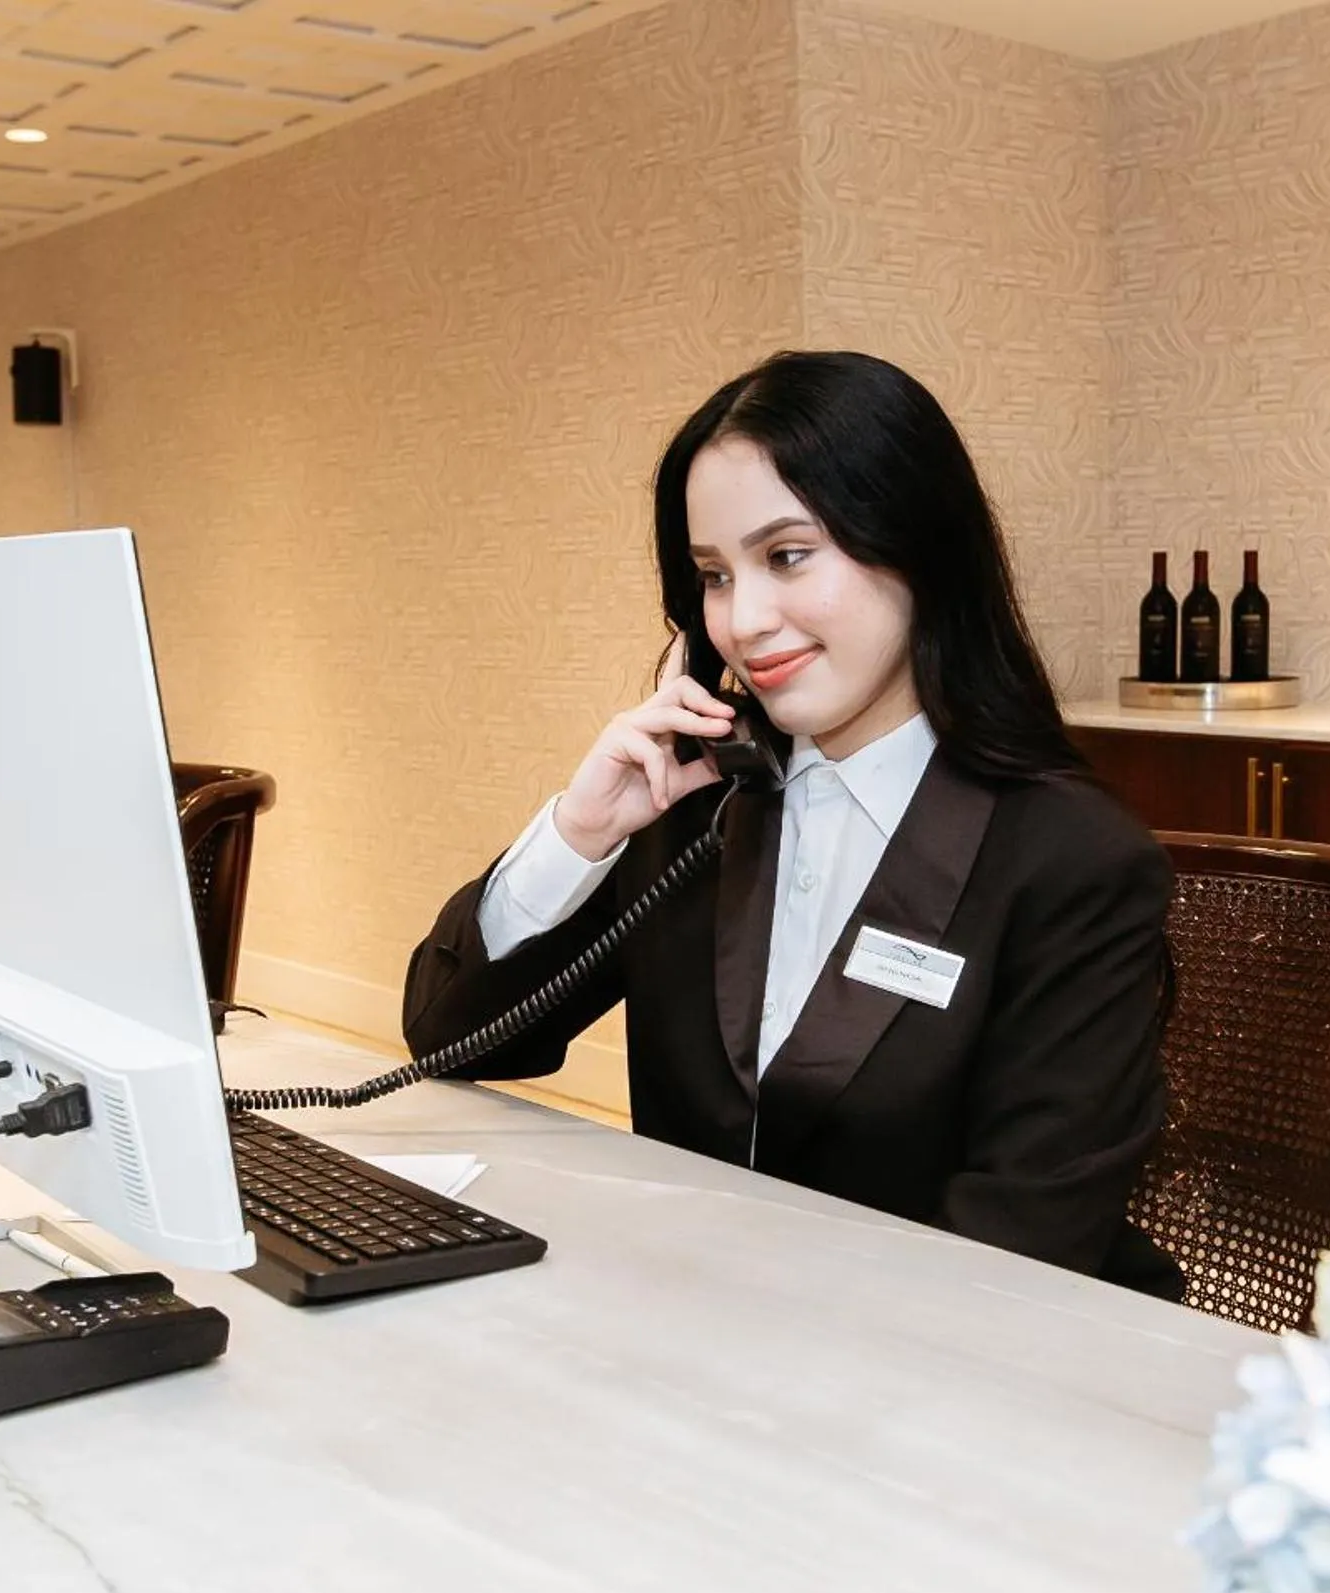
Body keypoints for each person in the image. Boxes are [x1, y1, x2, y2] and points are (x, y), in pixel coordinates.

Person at [403, 350, 1176, 1283]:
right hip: (710, 1323)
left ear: (915, 545)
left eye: (786, 556)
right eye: (714, 576)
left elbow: (1018, 1244)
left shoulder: (1071, 858)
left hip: (945, 1371)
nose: (744, 620)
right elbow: (450, 1039)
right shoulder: (700, 805)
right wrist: (580, 831)